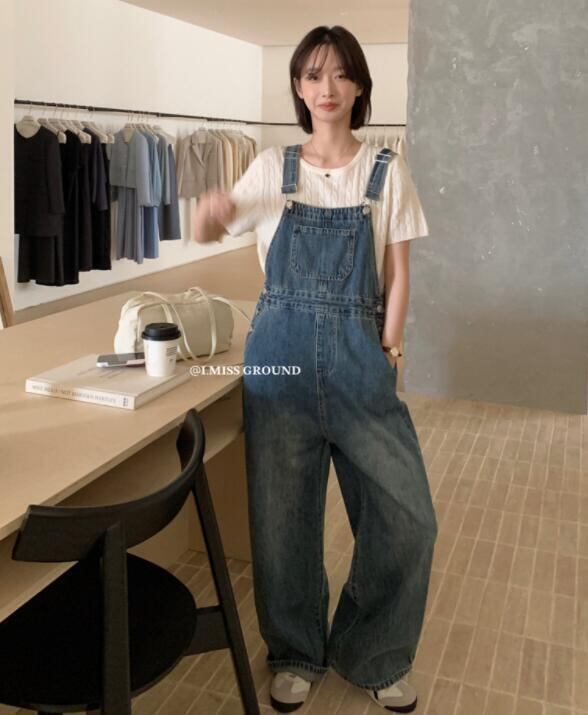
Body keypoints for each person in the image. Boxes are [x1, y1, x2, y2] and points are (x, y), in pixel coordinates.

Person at [193, 25, 438, 714]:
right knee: (283, 524)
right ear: (298, 89)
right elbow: (215, 227)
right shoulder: (272, 167)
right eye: (311, 75)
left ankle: (374, 650)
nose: (325, 88)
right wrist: (209, 214)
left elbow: (399, 272)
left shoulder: (386, 170)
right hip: (280, 365)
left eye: (338, 74)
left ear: (359, 85)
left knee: (407, 517)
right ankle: (296, 652)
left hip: (363, 364)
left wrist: (389, 349)